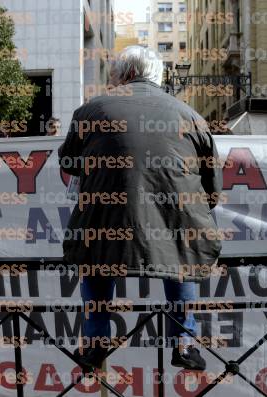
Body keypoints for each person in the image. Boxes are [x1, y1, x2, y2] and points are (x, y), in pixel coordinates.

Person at [58, 45, 222, 371]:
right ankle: (184, 343)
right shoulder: (191, 116)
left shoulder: (91, 111)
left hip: (104, 216)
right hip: (175, 219)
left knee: (94, 256)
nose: (111, 83)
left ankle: (94, 344)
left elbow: (68, 161)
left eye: (113, 76)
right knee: (183, 256)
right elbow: (212, 187)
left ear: (128, 74)